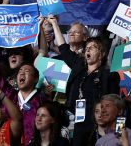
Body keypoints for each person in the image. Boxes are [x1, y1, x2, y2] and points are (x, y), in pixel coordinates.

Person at [48, 15, 120, 146]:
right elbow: (63, 48)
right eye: (87, 48)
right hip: (78, 122)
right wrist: (54, 24)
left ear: (102, 54)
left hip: (99, 125)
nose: (88, 49)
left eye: (92, 48)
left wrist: (120, 133)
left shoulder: (109, 75)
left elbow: (119, 106)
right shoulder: (79, 66)